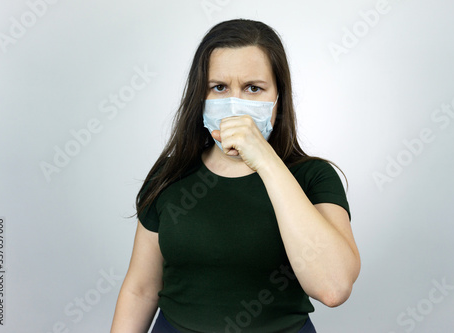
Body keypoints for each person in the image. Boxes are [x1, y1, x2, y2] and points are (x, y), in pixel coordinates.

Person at [111, 18, 360, 333]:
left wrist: (266, 162)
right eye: (219, 87)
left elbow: (333, 287)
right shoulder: (170, 175)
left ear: (278, 98)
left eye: (253, 88)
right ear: (200, 96)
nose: (234, 105)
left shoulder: (314, 177)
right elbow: (141, 288)